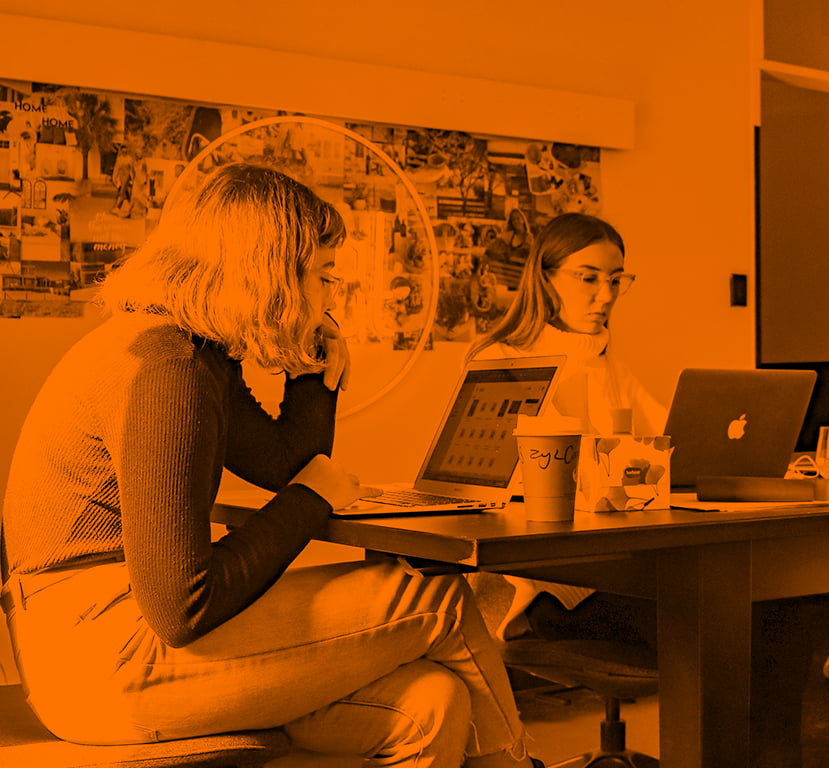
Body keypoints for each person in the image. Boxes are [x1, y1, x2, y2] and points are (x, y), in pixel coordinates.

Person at [0, 163, 540, 768]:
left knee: (430, 703)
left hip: (98, 651)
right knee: (436, 598)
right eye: (324, 277)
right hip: (104, 658)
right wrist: (313, 500)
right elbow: (183, 605)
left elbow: (284, 460)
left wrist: (314, 375)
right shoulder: (167, 367)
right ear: (274, 274)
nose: (332, 297)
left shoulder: (190, 350)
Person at [465, 212, 664, 645]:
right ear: (545, 278)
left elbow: (669, 435)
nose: (606, 295)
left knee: (756, 605)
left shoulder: (605, 360)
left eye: (616, 280)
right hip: (545, 577)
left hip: (611, 555)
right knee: (721, 613)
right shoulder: (501, 359)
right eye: (588, 278)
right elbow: (530, 481)